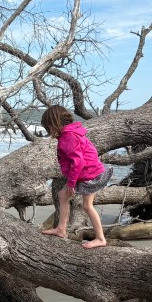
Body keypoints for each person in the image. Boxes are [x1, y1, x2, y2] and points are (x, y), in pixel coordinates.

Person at [39, 104, 112, 249]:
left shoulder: (67, 138)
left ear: (53, 124)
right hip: (91, 171)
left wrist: (71, 183)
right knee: (63, 195)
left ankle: (100, 238)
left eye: (48, 127)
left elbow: (78, 162)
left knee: (87, 206)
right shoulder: (72, 132)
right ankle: (61, 229)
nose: (48, 132)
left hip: (89, 174)